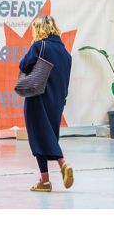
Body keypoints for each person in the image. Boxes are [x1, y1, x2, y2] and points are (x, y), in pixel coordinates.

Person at [18, 13, 74, 192]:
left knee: (38, 136)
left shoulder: (39, 46)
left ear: (39, 29)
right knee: (47, 135)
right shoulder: (66, 53)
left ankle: (62, 164)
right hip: (57, 101)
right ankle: (44, 181)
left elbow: (24, 65)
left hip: (37, 97)